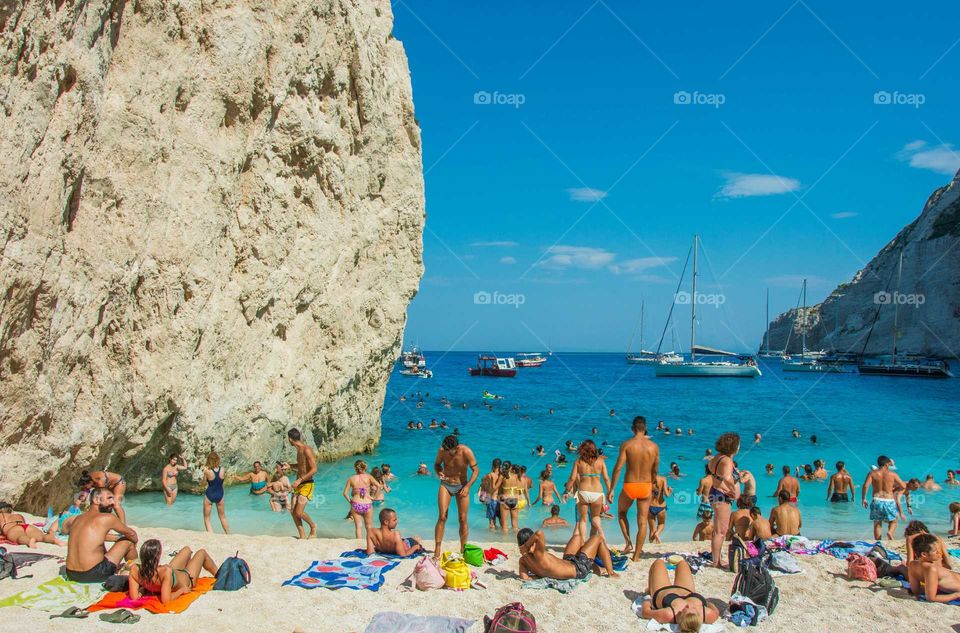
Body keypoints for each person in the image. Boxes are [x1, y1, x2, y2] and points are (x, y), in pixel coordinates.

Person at [609, 415, 659, 560]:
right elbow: (655, 470)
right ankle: (636, 555)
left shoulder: (627, 445)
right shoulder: (654, 447)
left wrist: (612, 489)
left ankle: (628, 542)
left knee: (622, 513)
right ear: (645, 429)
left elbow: (618, 468)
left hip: (630, 485)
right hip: (646, 486)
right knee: (642, 521)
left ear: (633, 429)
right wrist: (654, 484)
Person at [65, 488, 138, 582]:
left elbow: (95, 539)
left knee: (106, 542)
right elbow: (132, 534)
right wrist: (134, 543)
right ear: (96, 500)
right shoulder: (107, 518)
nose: (113, 502)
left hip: (71, 574)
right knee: (128, 541)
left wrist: (116, 538)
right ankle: (138, 571)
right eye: (109, 498)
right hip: (93, 574)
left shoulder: (78, 519)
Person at [640, 559, 721, 629]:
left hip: (663, 590)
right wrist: (709, 604)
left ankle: (650, 590)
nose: (688, 606)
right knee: (683, 563)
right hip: (686, 589)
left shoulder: (669, 614)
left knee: (658, 562)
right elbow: (714, 609)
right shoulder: (709, 615)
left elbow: (646, 613)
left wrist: (648, 602)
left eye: (685, 609)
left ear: (680, 617)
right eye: (694, 610)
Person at [129, 540, 218, 604]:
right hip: (187, 578)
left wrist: (143, 589)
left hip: (172, 574)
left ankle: (189, 561)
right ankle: (219, 575)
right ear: (157, 557)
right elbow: (166, 600)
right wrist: (181, 590)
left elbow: (135, 597)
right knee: (202, 552)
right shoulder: (165, 572)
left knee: (186, 550)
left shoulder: (134, 570)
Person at [434, 434, 478, 556]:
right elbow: (437, 465)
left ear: (457, 447)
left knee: (462, 519)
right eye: (446, 450)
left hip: (462, 486)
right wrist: (439, 473)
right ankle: (437, 548)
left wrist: (468, 486)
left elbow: (476, 471)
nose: (448, 453)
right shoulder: (442, 450)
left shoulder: (466, 451)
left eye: (451, 451)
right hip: (446, 485)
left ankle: (463, 549)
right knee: (442, 517)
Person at [517, 528, 617, 581]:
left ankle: (594, 566)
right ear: (531, 541)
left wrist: (542, 574)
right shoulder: (538, 554)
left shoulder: (523, 561)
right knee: (598, 538)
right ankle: (611, 573)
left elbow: (525, 578)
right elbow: (539, 533)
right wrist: (527, 545)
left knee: (577, 537)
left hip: (568, 562)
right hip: (579, 569)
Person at [564, 439, 611, 541]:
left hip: (583, 492)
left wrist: (566, 491)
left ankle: (582, 543)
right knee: (595, 517)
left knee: (583, 520)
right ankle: (597, 536)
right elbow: (606, 478)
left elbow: (572, 478)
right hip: (598, 493)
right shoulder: (601, 461)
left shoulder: (578, 461)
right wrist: (610, 491)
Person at [707, 433, 741, 569]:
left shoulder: (717, 457)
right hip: (722, 496)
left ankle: (717, 559)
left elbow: (717, 474)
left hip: (715, 492)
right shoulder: (727, 460)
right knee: (720, 532)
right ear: (733, 447)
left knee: (718, 530)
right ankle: (717, 562)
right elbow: (727, 477)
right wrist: (733, 489)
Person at [283, 428, 318, 539]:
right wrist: (290, 466)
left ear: (290, 439)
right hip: (299, 484)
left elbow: (314, 469)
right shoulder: (298, 450)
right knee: (293, 511)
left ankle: (313, 526)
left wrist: (299, 480)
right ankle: (302, 536)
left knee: (298, 512)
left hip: (307, 484)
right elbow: (302, 467)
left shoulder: (306, 449)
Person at [861, 455, 906, 540]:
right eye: (889, 464)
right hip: (889, 500)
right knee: (894, 520)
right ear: (886, 464)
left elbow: (865, 486)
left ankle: (878, 542)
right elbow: (903, 486)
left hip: (877, 500)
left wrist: (864, 498)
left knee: (877, 523)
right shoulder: (893, 474)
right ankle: (890, 532)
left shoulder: (872, 473)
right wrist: (894, 489)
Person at [908, 534, 960, 603]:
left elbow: (915, 590)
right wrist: (956, 595)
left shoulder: (912, 565)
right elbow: (931, 598)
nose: (938, 552)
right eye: (935, 551)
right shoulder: (931, 569)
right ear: (924, 554)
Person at [0, 502, 65, 547]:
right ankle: (55, 541)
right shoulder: (18, 515)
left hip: (13, 528)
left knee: (19, 537)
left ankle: (29, 541)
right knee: (41, 537)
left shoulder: (1, 515)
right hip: (27, 526)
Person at [344, 460, 379, 540]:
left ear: (355, 468)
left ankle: (358, 544)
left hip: (355, 504)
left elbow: (345, 493)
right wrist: (374, 497)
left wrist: (350, 502)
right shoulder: (369, 477)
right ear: (365, 467)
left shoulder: (351, 478)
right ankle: (369, 543)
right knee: (368, 527)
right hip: (367, 504)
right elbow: (379, 486)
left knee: (358, 527)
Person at [202, 450, 230, 534]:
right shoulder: (223, 469)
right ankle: (228, 533)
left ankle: (211, 535)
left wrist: (204, 473)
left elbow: (203, 484)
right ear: (218, 459)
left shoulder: (207, 471)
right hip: (220, 495)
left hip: (210, 495)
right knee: (222, 516)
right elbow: (221, 483)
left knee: (207, 518)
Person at [499, 462, 524, 533]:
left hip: (505, 500)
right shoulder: (517, 477)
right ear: (510, 468)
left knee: (504, 525)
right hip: (514, 500)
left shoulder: (503, 477)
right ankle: (514, 540)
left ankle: (504, 541)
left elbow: (498, 487)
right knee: (515, 525)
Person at [647, 475, 671, 544]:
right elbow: (667, 495)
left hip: (650, 506)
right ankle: (657, 534)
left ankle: (651, 544)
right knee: (661, 523)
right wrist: (670, 490)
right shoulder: (663, 479)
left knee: (651, 529)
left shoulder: (647, 478)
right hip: (661, 506)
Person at [480, 458, 502, 530]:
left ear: (492, 466)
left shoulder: (490, 475)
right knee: (501, 521)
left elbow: (482, 482)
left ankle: (491, 537)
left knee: (491, 521)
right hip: (500, 500)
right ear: (500, 466)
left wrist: (482, 496)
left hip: (491, 499)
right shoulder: (502, 476)